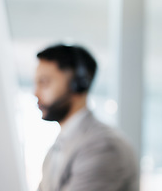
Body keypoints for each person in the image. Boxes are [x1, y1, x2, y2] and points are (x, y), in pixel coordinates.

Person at [35, 44, 139, 191]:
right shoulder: (57, 148)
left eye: (44, 83)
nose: (36, 93)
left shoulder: (103, 146)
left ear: (78, 83)